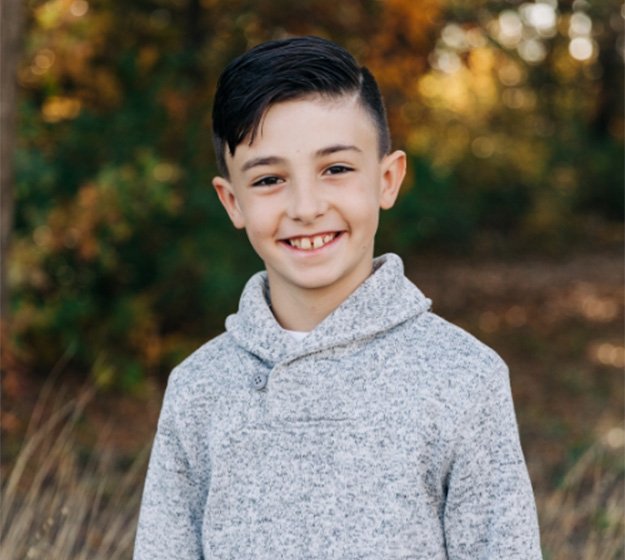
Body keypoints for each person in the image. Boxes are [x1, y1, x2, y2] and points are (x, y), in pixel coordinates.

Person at [134, 36, 541, 559]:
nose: (306, 207)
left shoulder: (464, 377)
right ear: (232, 201)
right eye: (269, 179)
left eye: (336, 169)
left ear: (387, 179)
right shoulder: (197, 388)